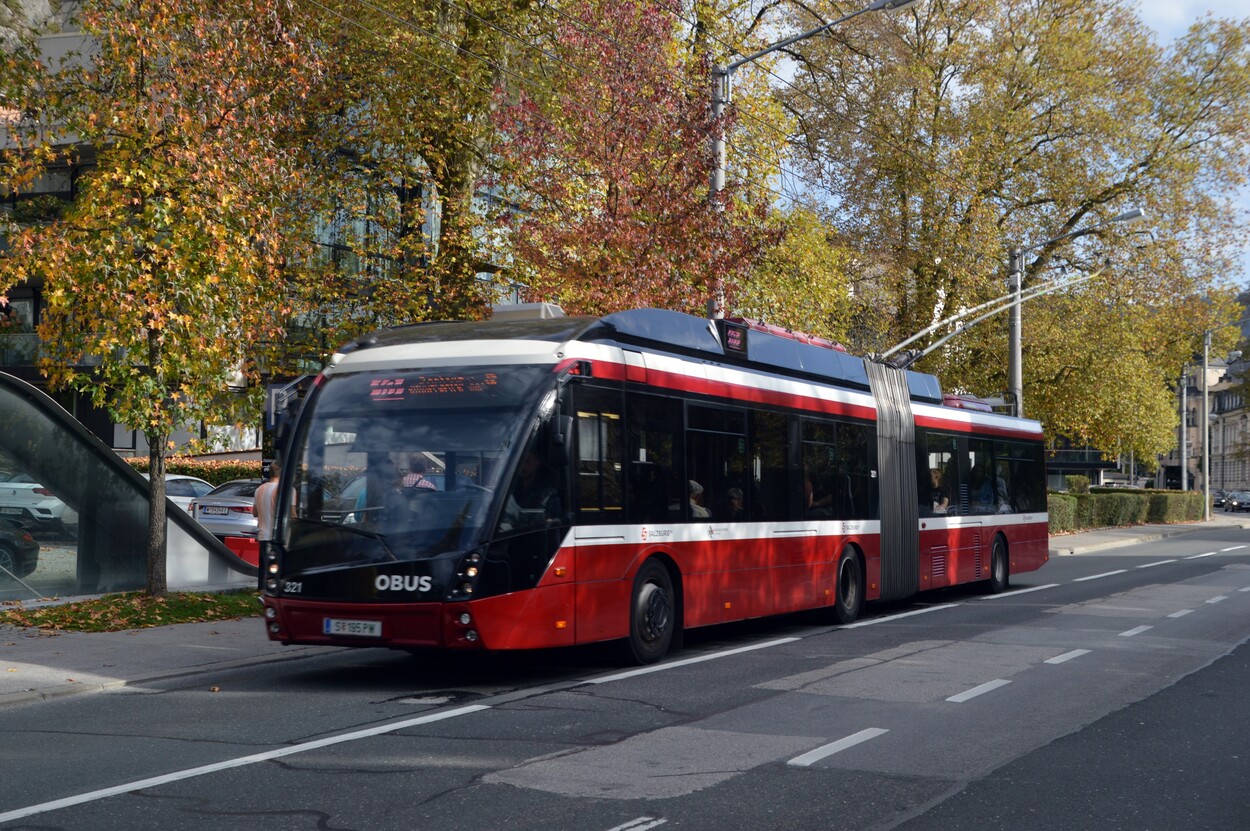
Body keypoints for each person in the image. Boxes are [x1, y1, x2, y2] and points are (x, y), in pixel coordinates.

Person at [499, 450, 561, 533]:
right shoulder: (508, 488)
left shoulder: (548, 493)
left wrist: (551, 522)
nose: (523, 466)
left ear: (536, 464)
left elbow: (557, 520)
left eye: (527, 462)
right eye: (520, 462)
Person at [253, 464, 281, 589]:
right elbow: (292, 514)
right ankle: (271, 590)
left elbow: (254, 512)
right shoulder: (285, 489)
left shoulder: (259, 490)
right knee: (276, 567)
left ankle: (261, 589)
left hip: (262, 533)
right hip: (277, 535)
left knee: (264, 564)